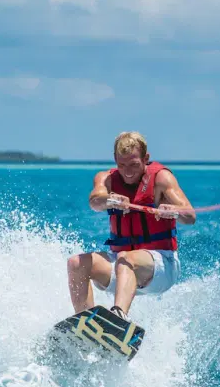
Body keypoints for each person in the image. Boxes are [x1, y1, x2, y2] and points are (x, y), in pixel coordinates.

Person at [66, 131, 196, 320]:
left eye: (134, 164)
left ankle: (119, 317)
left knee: (125, 258)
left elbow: (190, 216)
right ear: (115, 160)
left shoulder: (161, 178)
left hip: (161, 266)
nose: (127, 171)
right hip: (122, 267)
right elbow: (95, 201)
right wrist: (110, 200)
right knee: (76, 263)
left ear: (146, 158)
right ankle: (85, 324)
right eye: (122, 165)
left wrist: (173, 210)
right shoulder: (106, 179)